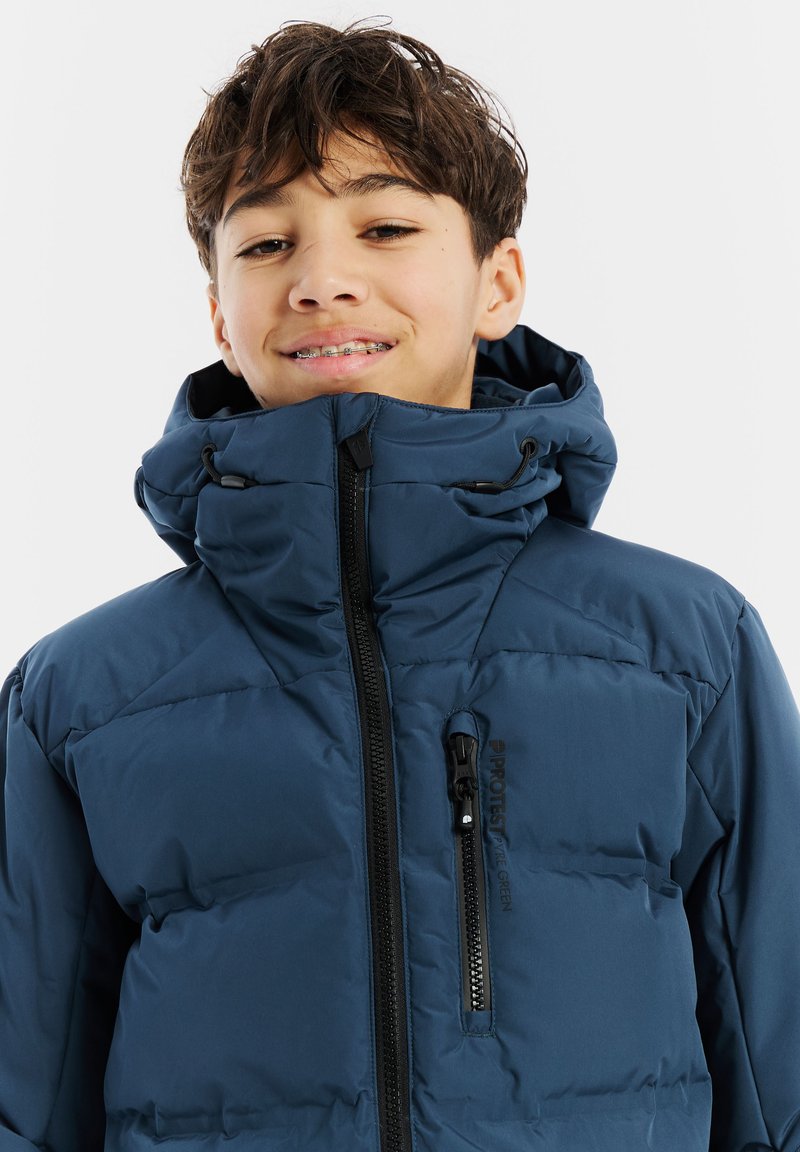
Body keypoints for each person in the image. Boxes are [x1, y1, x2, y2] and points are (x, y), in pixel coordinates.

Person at [1, 19, 798, 1152]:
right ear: (218, 313)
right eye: (266, 244)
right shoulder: (80, 698)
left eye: (384, 227)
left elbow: (779, 1069)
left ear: (496, 283)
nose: (323, 281)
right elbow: (25, 1099)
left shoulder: (684, 648)